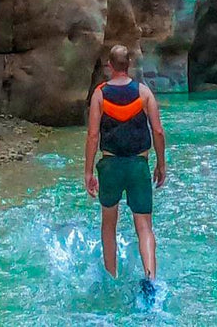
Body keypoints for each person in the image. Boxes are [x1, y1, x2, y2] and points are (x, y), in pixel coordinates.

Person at [84, 44, 167, 299]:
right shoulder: (144, 93)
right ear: (128, 64)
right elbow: (158, 131)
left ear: (110, 66)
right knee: (144, 226)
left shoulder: (100, 95)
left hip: (109, 165)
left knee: (109, 223)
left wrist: (88, 171)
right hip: (138, 165)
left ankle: (111, 277)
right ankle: (150, 279)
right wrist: (161, 164)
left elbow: (93, 135)